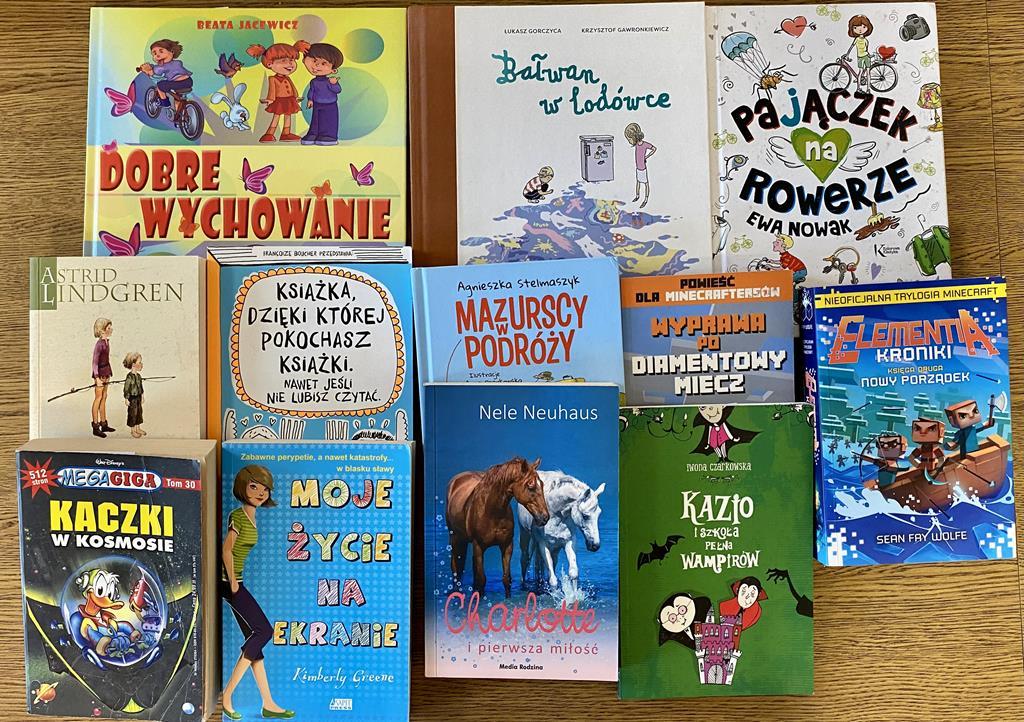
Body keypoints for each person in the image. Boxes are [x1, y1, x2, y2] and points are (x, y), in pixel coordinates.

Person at [221, 466, 293, 720]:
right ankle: (227, 697)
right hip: (229, 582)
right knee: (264, 631)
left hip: (235, 581)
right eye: (254, 486)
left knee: (255, 642)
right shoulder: (238, 516)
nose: (261, 492)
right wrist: (233, 582)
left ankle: (268, 703)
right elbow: (227, 550)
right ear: (243, 487)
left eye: (265, 488)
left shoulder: (251, 517)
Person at [248, 41, 309, 143]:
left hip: (289, 100)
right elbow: (272, 90)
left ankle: (286, 133)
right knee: (276, 116)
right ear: (270, 64)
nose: (290, 63)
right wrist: (270, 99)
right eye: (284, 60)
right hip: (279, 101)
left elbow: (292, 88)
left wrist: (295, 96)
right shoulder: (273, 79)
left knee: (288, 116)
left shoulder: (287, 78)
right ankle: (269, 134)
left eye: (292, 60)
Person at [301, 43, 344, 146]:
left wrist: (334, 84)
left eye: (323, 63)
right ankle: (313, 134)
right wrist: (310, 100)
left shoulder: (329, 81)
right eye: (315, 61)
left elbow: (337, 90)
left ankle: (329, 136)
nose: (317, 65)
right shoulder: (314, 81)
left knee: (329, 120)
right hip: (317, 103)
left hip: (330, 105)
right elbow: (312, 91)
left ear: (333, 70)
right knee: (315, 120)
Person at [139, 39, 193, 107]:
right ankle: (179, 111)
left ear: (172, 52)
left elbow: (155, 73)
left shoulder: (162, 67)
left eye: (161, 51)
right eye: (154, 54)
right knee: (178, 97)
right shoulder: (178, 62)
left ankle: (165, 102)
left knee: (160, 85)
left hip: (177, 84)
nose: (158, 55)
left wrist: (148, 70)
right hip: (188, 81)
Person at [91, 318, 114, 438]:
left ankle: (103, 424)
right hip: (99, 374)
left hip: (106, 371)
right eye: (109, 328)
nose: (111, 330)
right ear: (102, 330)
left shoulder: (107, 342)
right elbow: (94, 362)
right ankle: (95, 427)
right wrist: (97, 378)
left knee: (104, 397)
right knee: (98, 398)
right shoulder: (99, 344)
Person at [624, 122, 656, 208]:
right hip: (638, 167)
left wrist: (647, 156)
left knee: (646, 183)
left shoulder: (644, 144)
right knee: (638, 182)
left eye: (630, 139)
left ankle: (646, 199)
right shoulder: (637, 145)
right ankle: (637, 196)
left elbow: (654, 148)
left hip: (643, 168)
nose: (629, 141)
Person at [845, 15, 874, 90]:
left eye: (863, 27)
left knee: (867, 73)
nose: (860, 29)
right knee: (860, 72)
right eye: (855, 27)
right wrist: (847, 54)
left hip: (866, 56)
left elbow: (866, 50)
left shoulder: (865, 40)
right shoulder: (857, 39)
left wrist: (869, 55)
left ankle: (868, 89)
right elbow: (851, 47)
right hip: (860, 57)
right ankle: (858, 88)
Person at [122, 352, 145, 438]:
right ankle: (133, 430)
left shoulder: (138, 376)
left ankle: (138, 428)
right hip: (132, 398)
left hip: (138, 397)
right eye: (139, 362)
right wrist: (126, 398)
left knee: (139, 413)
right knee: (133, 414)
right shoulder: (129, 377)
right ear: (133, 365)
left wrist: (142, 396)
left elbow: (141, 387)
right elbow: (126, 388)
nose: (141, 364)